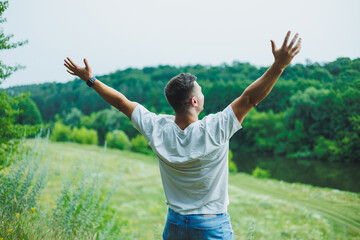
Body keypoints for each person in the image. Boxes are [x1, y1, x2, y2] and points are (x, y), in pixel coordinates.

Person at [64, 31, 301, 240]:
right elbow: (250, 98)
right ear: (194, 101)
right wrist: (279, 66)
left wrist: (90, 80)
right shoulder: (215, 128)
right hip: (211, 225)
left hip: (175, 224)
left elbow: (122, 103)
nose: (203, 93)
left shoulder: (156, 128)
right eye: (201, 91)